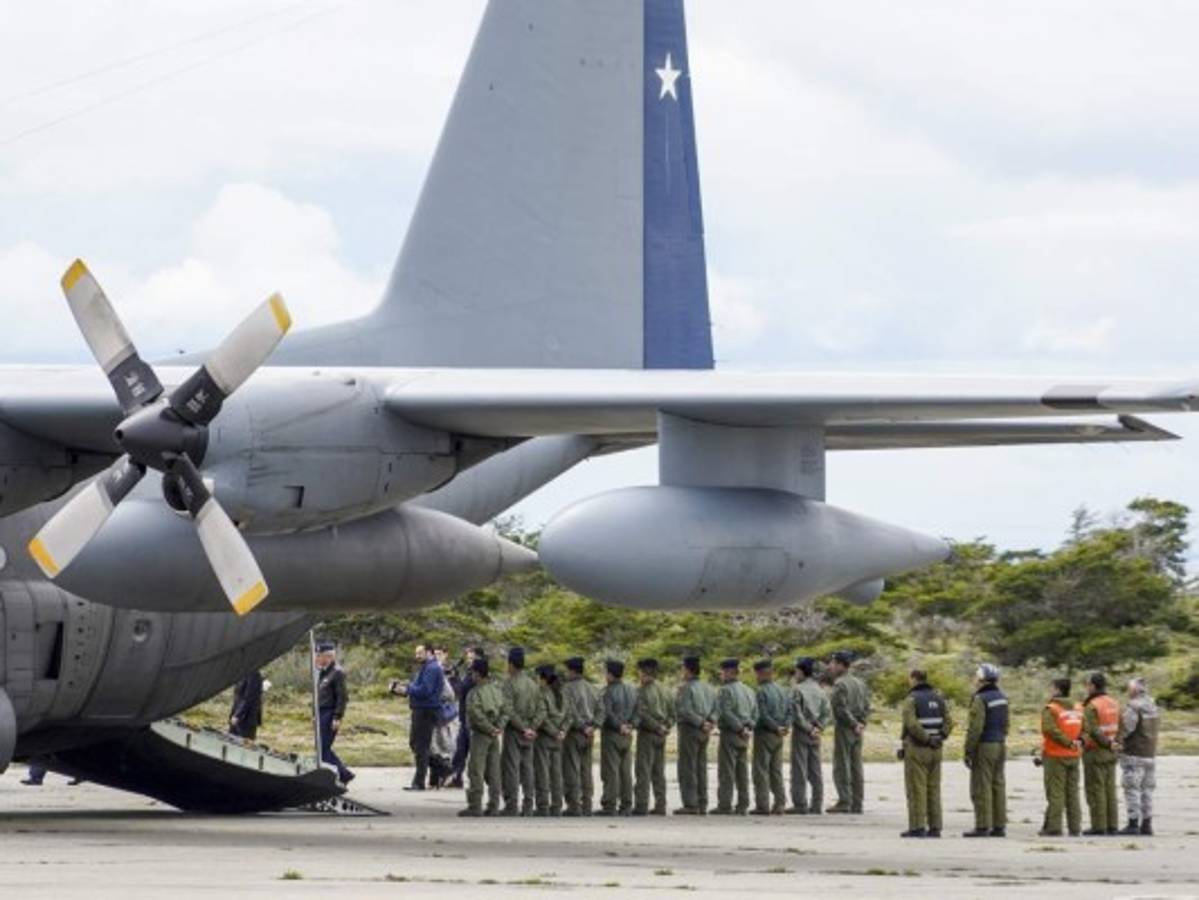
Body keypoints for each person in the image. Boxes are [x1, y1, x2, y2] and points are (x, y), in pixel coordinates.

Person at [899, 668, 953, 838]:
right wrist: (939, 737)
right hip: (936, 750)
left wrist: (927, 739)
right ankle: (935, 827)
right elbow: (949, 722)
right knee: (934, 789)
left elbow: (912, 725)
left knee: (917, 789)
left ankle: (917, 827)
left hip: (918, 749)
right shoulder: (939, 698)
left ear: (914, 679)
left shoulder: (911, 700)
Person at [962, 663, 1009, 838]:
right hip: (1000, 744)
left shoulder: (980, 699)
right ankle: (999, 825)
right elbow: (1006, 724)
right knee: (998, 785)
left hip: (985, 745)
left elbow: (975, 728)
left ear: (982, 679)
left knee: (982, 787)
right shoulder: (1002, 697)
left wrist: (968, 750)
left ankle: (982, 826)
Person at [391, 643, 444, 791]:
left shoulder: (432, 668)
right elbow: (418, 687)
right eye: (416, 653)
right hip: (421, 709)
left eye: (420, 653)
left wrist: (407, 688)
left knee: (421, 746)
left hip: (426, 711)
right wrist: (402, 689)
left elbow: (425, 690)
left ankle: (419, 781)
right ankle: (441, 767)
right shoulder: (426, 667)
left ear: (429, 653)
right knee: (415, 743)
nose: (417, 656)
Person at [459, 657, 507, 817]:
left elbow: (475, 714)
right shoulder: (497, 690)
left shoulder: (474, 692)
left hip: (481, 734)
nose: (472, 675)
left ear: (478, 674)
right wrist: (498, 727)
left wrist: (489, 728)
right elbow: (506, 711)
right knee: (494, 771)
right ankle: (494, 805)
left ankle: (475, 805)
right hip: (495, 735)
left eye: (473, 672)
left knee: (476, 770)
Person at [827, 650, 870, 814]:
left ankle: (845, 801)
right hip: (859, 728)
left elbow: (840, 708)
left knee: (842, 765)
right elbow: (867, 706)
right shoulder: (860, 683)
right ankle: (857, 802)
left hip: (846, 727)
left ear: (840, 665)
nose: (831, 667)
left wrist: (853, 724)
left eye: (833, 663)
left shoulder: (840, 684)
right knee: (856, 765)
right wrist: (861, 723)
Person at [1039, 676, 1083, 837]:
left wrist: (1067, 742)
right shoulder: (1078, 708)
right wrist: (1078, 742)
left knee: (1055, 793)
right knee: (1072, 792)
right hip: (1074, 755)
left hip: (1055, 755)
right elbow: (1085, 728)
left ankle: (1054, 828)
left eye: (1052, 687)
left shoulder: (1052, 709)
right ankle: (1075, 827)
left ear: (1057, 689)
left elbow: (1049, 730)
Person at [501, 646, 542, 816]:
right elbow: (541, 709)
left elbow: (508, 710)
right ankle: (528, 805)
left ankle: (511, 805)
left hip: (514, 731)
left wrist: (523, 728)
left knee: (511, 768)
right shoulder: (533, 684)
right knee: (528, 768)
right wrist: (532, 728)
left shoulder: (509, 683)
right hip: (530, 733)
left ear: (511, 664)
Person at [713, 658, 756, 816]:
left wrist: (738, 728)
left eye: (723, 671)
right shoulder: (749, 690)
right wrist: (748, 727)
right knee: (742, 771)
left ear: (730, 672)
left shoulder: (725, 690)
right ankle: (743, 804)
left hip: (731, 734)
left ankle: (725, 805)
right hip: (745, 735)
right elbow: (755, 713)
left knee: (727, 771)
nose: (721, 674)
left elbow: (726, 712)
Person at [674, 655, 717, 815]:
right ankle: (702, 802)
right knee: (701, 767)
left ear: (687, 669)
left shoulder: (685, 688)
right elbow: (716, 708)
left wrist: (700, 722)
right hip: (705, 731)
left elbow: (684, 710)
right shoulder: (709, 688)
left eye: (682, 668)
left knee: (688, 767)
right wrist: (710, 722)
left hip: (690, 730)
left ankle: (691, 804)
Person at [788, 656, 831, 815]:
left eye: (796, 671)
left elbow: (796, 714)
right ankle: (817, 804)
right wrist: (818, 727)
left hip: (802, 732)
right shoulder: (820, 690)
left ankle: (800, 804)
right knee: (815, 770)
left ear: (801, 671)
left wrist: (807, 728)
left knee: (799, 769)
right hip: (816, 733)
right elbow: (827, 713)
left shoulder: (797, 690)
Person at [633, 658, 675, 816]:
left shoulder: (641, 691)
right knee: (658, 771)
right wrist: (666, 727)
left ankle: (641, 805)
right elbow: (673, 713)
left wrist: (656, 727)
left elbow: (642, 714)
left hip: (648, 733)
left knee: (643, 770)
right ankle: (661, 804)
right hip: (662, 735)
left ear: (643, 672)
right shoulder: (665, 690)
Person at [1118, 677, 1159, 836]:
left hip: (1134, 754)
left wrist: (1117, 742)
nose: (1128, 691)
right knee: (1147, 790)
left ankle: (1133, 823)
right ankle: (1147, 824)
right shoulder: (1153, 706)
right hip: (1150, 753)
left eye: (1129, 688)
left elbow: (1127, 729)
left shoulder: (1134, 707)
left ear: (1134, 690)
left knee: (1132, 789)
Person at [561, 656, 602, 816]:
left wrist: (583, 726)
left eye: (567, 670)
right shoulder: (593, 688)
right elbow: (601, 710)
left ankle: (574, 805)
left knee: (572, 769)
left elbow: (570, 712)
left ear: (572, 671)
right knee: (586, 769)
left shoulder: (567, 688)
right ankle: (587, 804)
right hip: (589, 734)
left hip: (575, 733)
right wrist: (594, 726)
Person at [1081, 672, 1121, 836]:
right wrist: (1115, 743)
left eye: (1088, 684)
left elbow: (1094, 731)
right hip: (1112, 751)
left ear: (1093, 686)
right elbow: (1121, 726)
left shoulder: (1092, 706)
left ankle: (1099, 826)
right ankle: (1112, 825)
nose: (1086, 687)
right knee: (1110, 790)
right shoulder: (1115, 703)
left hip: (1095, 751)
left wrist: (1107, 743)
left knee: (1095, 789)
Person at [751, 659, 791, 816]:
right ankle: (780, 803)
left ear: (761, 673)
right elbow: (790, 711)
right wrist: (784, 727)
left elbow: (762, 714)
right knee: (776, 770)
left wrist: (775, 727)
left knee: (761, 770)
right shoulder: (783, 690)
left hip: (765, 734)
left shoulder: (761, 691)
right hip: (779, 735)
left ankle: (763, 805)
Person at [598, 659, 637, 816]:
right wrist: (630, 725)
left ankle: (610, 805)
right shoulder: (632, 690)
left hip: (612, 734)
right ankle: (627, 805)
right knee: (625, 771)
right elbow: (638, 711)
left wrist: (618, 726)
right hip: (627, 734)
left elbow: (607, 713)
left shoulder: (607, 691)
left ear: (610, 674)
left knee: (611, 771)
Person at [315, 640, 353, 784]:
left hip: (329, 713)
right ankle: (342, 774)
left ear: (328, 656)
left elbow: (342, 697)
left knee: (323, 749)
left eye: (319, 655)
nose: (316, 658)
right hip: (321, 713)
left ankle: (344, 774)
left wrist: (337, 717)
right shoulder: (324, 672)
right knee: (321, 749)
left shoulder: (337, 673)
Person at [534, 664, 568, 816]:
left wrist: (554, 732)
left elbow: (542, 717)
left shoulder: (542, 693)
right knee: (556, 774)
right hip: (559, 739)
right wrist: (562, 731)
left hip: (545, 738)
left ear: (543, 679)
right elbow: (570, 716)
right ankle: (557, 806)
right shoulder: (562, 693)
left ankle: (543, 806)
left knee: (543, 773)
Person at [450, 647, 485, 789]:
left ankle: (479, 781)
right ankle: (456, 777)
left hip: (473, 720)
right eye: (468, 659)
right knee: (460, 750)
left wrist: (455, 678)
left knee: (475, 753)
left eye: (472, 658)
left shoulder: (477, 676)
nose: (469, 661)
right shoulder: (469, 674)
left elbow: (461, 690)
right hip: (464, 717)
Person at [429, 647, 460, 789]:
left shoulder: (451, 671)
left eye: (440, 654)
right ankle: (434, 779)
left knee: (445, 745)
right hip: (434, 713)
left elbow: (455, 692)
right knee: (434, 745)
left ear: (446, 655)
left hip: (447, 714)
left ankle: (449, 776)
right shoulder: (432, 668)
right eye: (435, 654)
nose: (437, 656)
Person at [228, 670, 265, 741]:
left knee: (244, 744)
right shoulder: (242, 673)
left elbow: (249, 698)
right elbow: (238, 696)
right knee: (231, 741)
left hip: (247, 719)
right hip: (237, 716)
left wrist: (238, 715)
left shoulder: (254, 675)